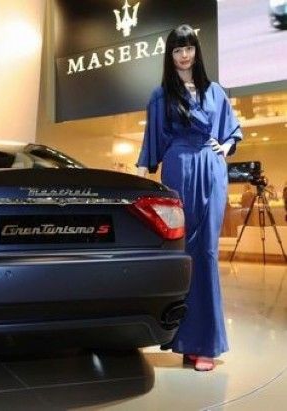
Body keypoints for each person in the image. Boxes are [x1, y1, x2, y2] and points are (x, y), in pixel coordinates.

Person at [136, 25, 242, 372]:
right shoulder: (161, 95)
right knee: (183, 253)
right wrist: (140, 179)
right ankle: (185, 341)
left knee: (206, 252)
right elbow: (152, 142)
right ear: (170, 55)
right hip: (178, 169)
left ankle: (205, 343)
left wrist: (223, 147)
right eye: (177, 49)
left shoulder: (215, 91)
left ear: (197, 51)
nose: (184, 55)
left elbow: (231, 130)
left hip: (211, 171)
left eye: (189, 48)